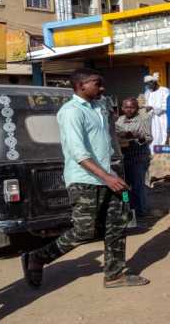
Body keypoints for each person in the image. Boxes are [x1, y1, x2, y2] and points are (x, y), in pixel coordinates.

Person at [21, 68, 149, 289]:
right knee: (84, 230)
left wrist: (113, 171)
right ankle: (39, 257)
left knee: (118, 224)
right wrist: (107, 177)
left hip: (109, 175)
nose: (102, 87)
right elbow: (79, 153)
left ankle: (114, 275)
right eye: (97, 84)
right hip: (85, 180)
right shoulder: (71, 112)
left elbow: (105, 139)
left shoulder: (98, 106)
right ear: (81, 86)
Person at [116, 98, 152, 218]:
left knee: (137, 186)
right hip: (124, 156)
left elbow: (148, 138)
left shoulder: (143, 119)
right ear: (122, 108)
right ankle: (128, 208)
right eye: (126, 107)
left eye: (131, 107)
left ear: (136, 108)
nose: (129, 110)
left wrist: (137, 137)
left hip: (138, 157)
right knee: (124, 186)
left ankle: (140, 211)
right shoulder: (120, 120)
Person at [144, 73, 170, 153]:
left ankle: (164, 151)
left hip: (163, 117)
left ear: (154, 82)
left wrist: (152, 108)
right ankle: (154, 152)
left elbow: (166, 105)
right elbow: (147, 104)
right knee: (154, 135)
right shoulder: (148, 92)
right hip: (152, 118)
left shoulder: (165, 90)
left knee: (163, 134)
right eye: (146, 85)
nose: (148, 86)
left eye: (149, 84)